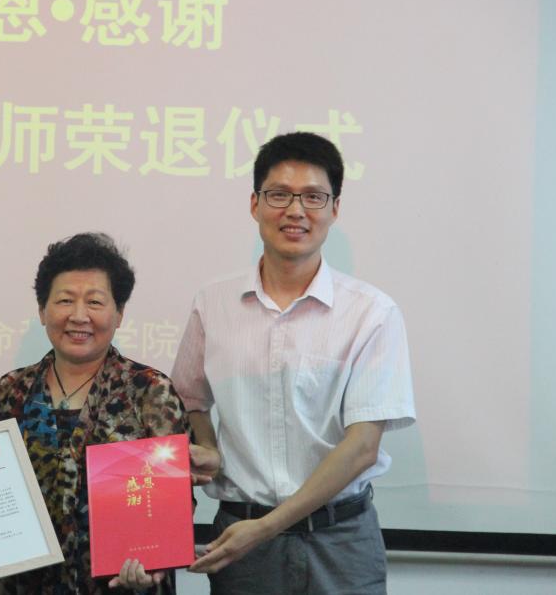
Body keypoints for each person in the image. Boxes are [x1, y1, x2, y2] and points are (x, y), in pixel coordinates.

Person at [172, 132, 416, 594]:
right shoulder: (213, 304)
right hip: (241, 540)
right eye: (279, 194)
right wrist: (209, 447)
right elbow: (188, 399)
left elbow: (362, 447)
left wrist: (267, 528)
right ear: (255, 203)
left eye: (313, 197)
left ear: (335, 209)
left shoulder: (372, 313)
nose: (296, 210)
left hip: (340, 542)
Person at [0, 233, 190, 594]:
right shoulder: (12, 390)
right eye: (64, 300)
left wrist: (154, 560)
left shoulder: (149, 391)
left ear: (119, 313)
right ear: (42, 311)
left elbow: (173, 502)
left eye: (94, 302)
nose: (79, 316)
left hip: (120, 586)